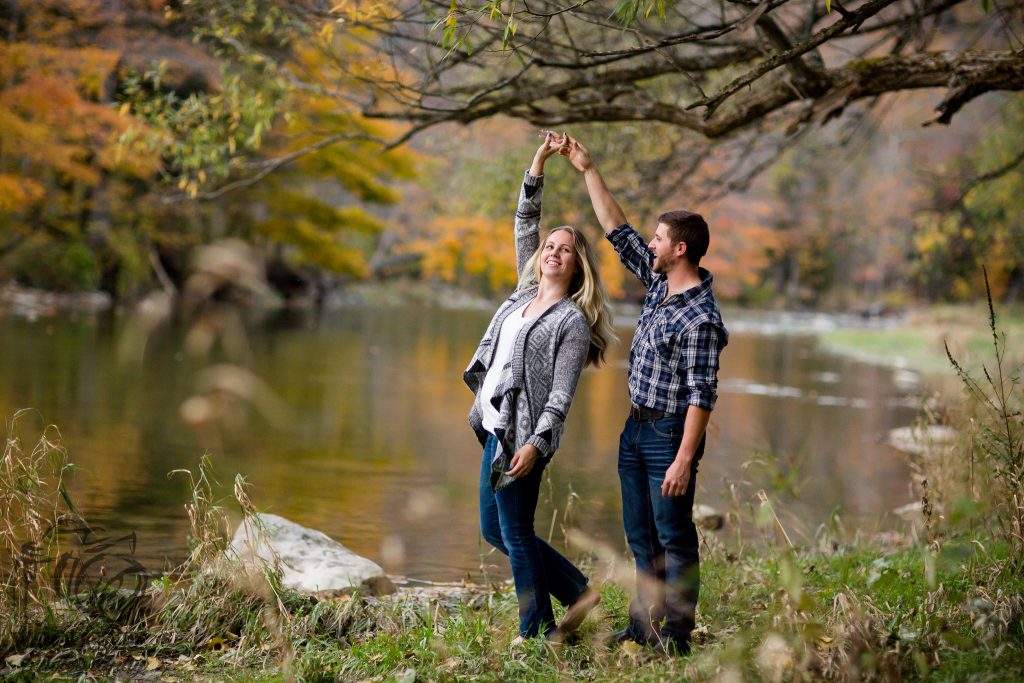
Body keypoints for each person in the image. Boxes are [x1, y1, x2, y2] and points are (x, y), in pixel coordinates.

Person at [560, 135, 728, 655]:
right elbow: (616, 229)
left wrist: (682, 459)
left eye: (658, 239)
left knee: (674, 536)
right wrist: (587, 168)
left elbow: (703, 394)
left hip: (670, 432)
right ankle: (642, 624)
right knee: (640, 534)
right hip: (635, 427)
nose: (649, 245)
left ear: (680, 249)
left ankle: (675, 637)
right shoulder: (659, 284)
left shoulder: (702, 316)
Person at [464, 133, 616, 643]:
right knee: (497, 530)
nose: (552, 252)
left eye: (565, 249)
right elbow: (525, 222)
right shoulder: (524, 292)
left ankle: (535, 633)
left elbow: (561, 397)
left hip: (523, 438)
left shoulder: (570, 322)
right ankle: (578, 591)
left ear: (577, 266)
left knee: (516, 532)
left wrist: (535, 443)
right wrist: (538, 162)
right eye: (549, 246)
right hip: (495, 429)